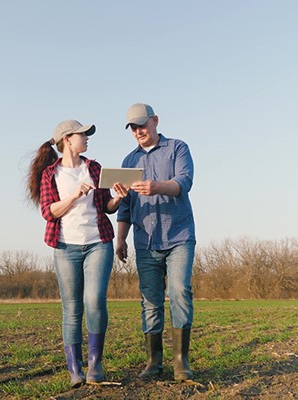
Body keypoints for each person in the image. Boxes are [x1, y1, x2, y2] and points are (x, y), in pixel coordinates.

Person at [26, 119, 128, 387]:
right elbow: (48, 212)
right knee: (72, 309)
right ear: (67, 140)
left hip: (98, 243)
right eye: (82, 134)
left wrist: (118, 197)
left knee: (94, 300)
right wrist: (72, 196)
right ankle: (75, 370)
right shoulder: (51, 174)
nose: (87, 138)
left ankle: (95, 364)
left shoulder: (94, 168)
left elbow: (107, 206)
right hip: (65, 247)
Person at [116, 103, 196, 381]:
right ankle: (153, 362)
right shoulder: (128, 162)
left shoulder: (177, 148)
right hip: (145, 241)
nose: (139, 131)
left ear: (155, 121)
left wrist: (157, 186)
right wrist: (121, 239)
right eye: (133, 128)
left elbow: (184, 182)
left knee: (179, 292)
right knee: (150, 302)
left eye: (142, 125)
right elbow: (124, 206)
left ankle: (181, 362)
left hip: (179, 236)